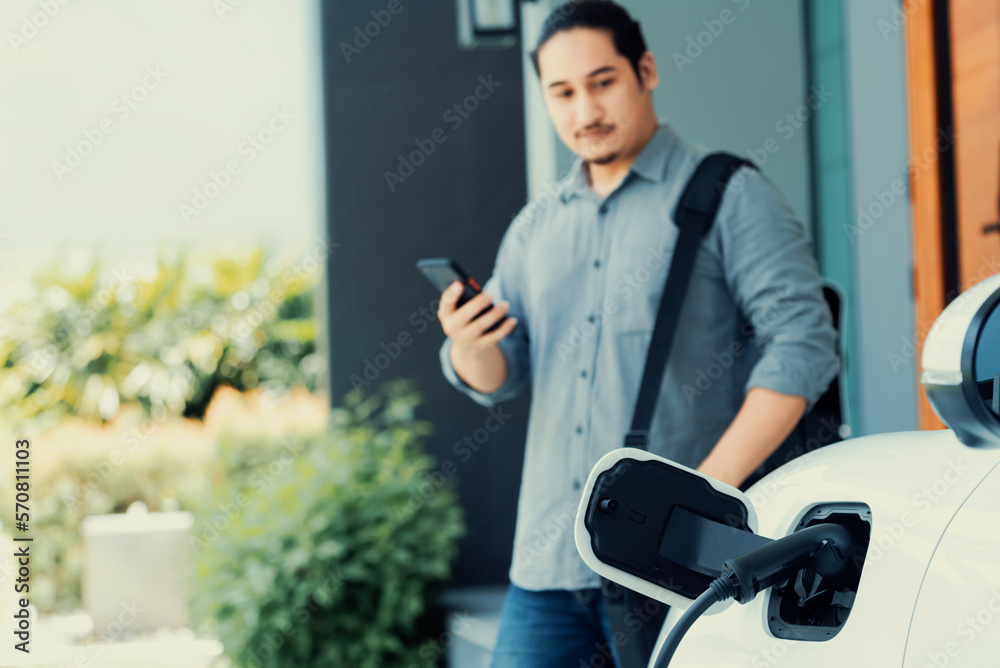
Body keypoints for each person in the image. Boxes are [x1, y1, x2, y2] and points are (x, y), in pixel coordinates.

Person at [435, 2, 838, 666]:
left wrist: (702, 498)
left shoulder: (730, 194)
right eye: (562, 93)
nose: (584, 110)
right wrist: (471, 345)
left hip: (673, 563)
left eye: (602, 82)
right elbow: (502, 374)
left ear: (644, 70)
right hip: (548, 566)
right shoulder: (535, 228)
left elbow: (802, 342)